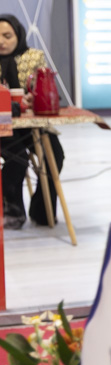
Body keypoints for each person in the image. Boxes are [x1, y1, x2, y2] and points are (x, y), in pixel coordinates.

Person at [0, 14, 45, 230]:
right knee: (16, 155)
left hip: (30, 124)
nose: (1, 41)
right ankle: (12, 210)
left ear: (18, 35)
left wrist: (33, 98)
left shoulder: (33, 57)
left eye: (7, 36)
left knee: (54, 154)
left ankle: (42, 210)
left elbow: (42, 89)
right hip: (3, 127)